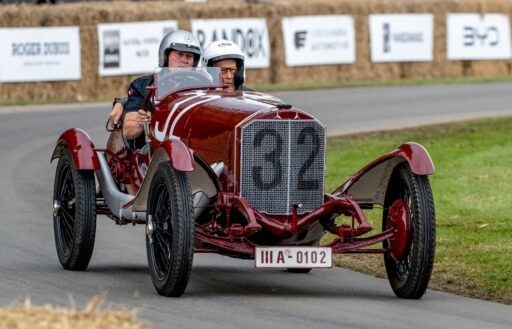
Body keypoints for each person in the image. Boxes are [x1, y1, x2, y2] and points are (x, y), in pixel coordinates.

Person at [108, 30, 201, 139]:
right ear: (165, 56)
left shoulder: (200, 86)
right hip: (151, 147)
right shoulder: (143, 85)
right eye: (179, 54)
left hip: (189, 143)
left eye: (189, 56)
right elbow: (128, 131)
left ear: (194, 62)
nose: (184, 60)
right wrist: (143, 122)